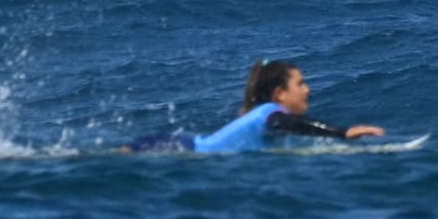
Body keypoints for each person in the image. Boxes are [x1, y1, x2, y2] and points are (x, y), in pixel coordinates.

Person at [124, 60, 384, 153]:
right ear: (280, 94)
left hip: (176, 145)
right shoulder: (272, 114)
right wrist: (342, 133)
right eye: (301, 84)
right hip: (173, 148)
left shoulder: (264, 114)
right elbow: (289, 125)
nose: (308, 90)